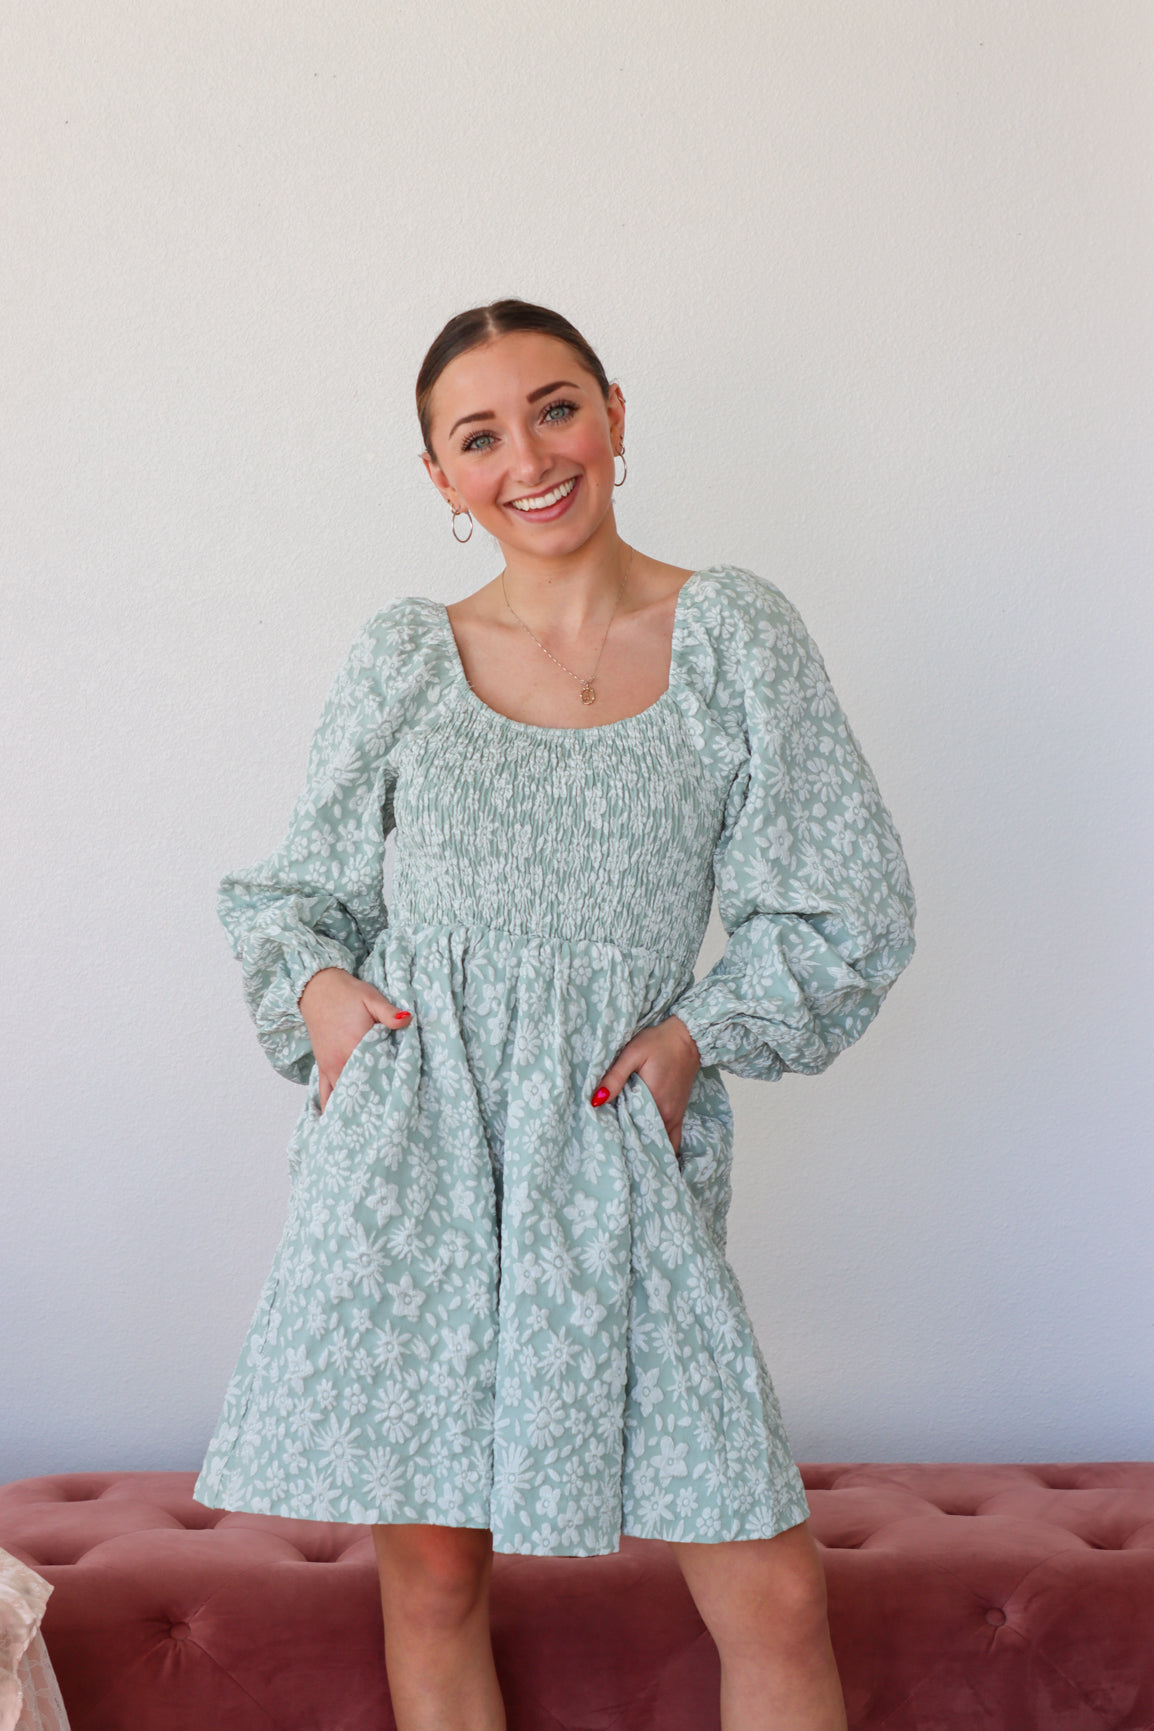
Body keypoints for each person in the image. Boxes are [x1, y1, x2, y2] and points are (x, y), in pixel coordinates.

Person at [194, 298, 917, 1730]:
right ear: (442, 481)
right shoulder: (405, 655)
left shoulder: (729, 633)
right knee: (436, 1587)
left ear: (614, 417)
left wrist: (694, 1035)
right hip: (418, 1154)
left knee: (771, 1594)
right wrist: (327, 1000)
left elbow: (844, 905)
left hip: (612, 1151)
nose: (527, 454)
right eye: (479, 435)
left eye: (554, 407)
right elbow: (291, 893)